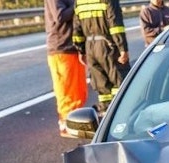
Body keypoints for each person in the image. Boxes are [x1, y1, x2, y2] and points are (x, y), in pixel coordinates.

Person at [74, 0, 130, 114]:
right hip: (108, 46)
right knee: (119, 81)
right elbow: (115, 24)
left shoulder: (79, 1)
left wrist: (81, 50)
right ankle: (120, 114)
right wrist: (122, 48)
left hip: (90, 47)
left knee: (102, 87)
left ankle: (105, 115)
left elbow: (76, 28)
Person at [44, 0, 88, 137]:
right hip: (61, 48)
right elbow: (60, 16)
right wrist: (79, 5)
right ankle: (65, 125)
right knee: (66, 90)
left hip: (74, 47)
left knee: (79, 90)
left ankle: (76, 122)